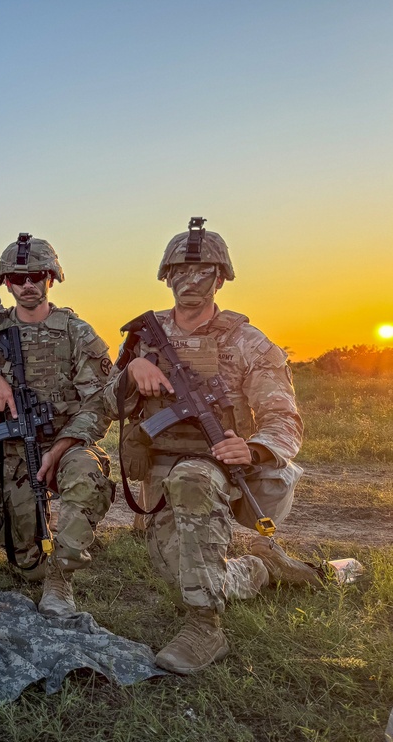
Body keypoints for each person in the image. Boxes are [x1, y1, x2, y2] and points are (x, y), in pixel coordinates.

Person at [104, 218, 317, 675]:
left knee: (193, 477)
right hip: (159, 469)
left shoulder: (247, 343)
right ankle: (258, 569)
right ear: (166, 277)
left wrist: (255, 449)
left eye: (203, 272)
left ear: (220, 278)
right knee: (173, 567)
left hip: (214, 469)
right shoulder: (144, 336)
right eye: (180, 272)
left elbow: (284, 419)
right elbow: (106, 401)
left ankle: (206, 628)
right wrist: (131, 372)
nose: (191, 282)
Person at [0, 235, 114, 616]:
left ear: (51, 279)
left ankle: (61, 578)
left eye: (36, 276)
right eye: (17, 277)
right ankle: (49, 552)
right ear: (6, 283)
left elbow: (101, 400)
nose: (27, 285)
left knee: (86, 473)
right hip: (13, 450)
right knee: (26, 566)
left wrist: (61, 449)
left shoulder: (77, 332)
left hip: (67, 443)